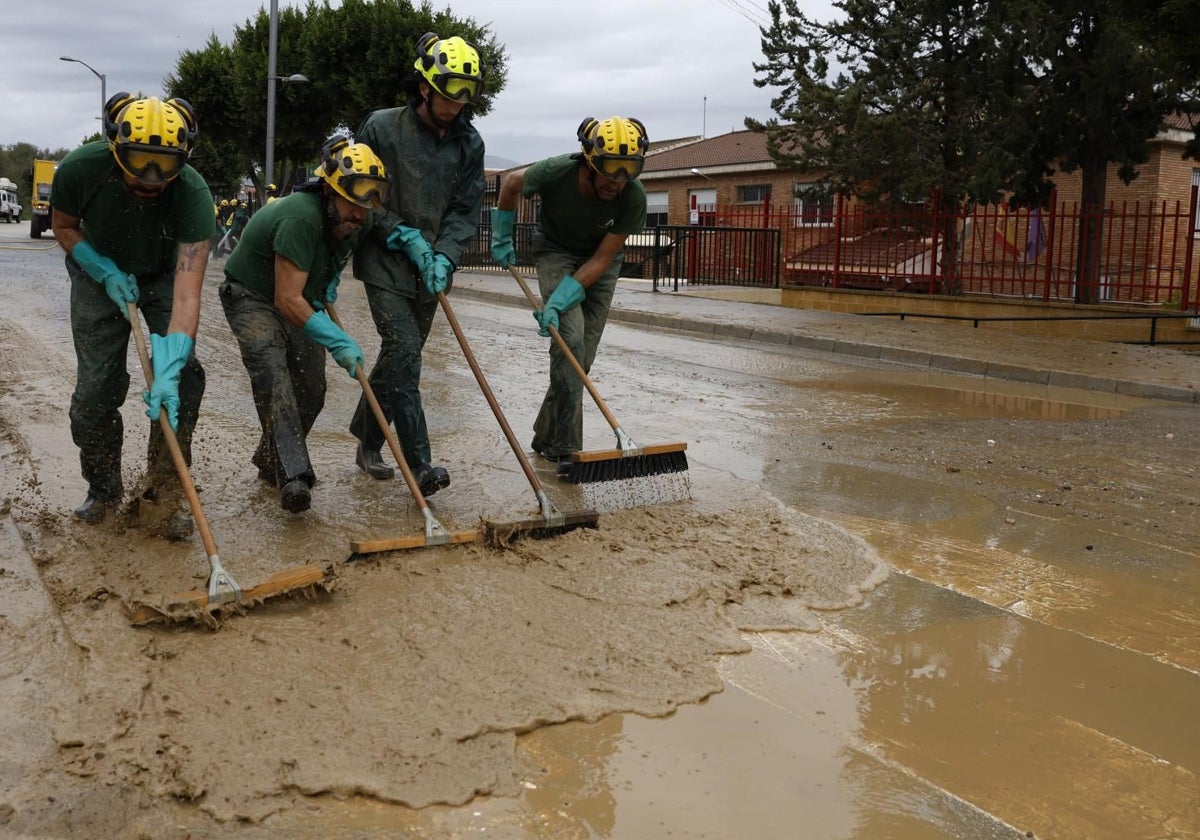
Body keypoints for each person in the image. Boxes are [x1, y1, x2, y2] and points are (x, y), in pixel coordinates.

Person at [50, 92, 215, 537]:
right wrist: (102, 270)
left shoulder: (195, 195)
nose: (151, 177)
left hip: (164, 275)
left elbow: (186, 296)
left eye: (165, 165)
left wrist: (172, 362)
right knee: (95, 393)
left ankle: (161, 494)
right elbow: (63, 226)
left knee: (184, 380)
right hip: (97, 270)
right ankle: (103, 489)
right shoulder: (80, 169)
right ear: (114, 150)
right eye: (138, 161)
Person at [348, 31, 486, 496]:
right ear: (425, 87)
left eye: (467, 94)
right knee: (405, 350)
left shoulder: (470, 143)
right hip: (383, 258)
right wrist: (399, 233)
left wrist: (445, 254)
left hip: (430, 268)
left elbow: (465, 210)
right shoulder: (381, 127)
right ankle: (421, 463)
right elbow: (359, 194)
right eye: (451, 92)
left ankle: (367, 438)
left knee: (400, 359)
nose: (459, 103)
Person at [220, 136, 387, 513]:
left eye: (366, 207)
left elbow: (323, 269)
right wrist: (337, 338)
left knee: (311, 387)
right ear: (329, 192)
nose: (359, 216)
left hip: (300, 297)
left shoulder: (359, 217)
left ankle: (271, 463)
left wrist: (327, 283)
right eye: (352, 205)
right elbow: (285, 299)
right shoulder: (300, 216)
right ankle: (294, 476)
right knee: (274, 373)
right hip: (252, 295)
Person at [491, 116, 648, 478]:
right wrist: (502, 235)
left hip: (600, 262)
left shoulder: (634, 196)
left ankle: (545, 435)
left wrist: (559, 301)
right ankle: (566, 449)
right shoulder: (557, 171)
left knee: (580, 360)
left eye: (628, 172)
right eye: (610, 171)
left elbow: (601, 260)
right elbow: (512, 183)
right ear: (590, 162)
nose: (618, 182)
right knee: (570, 342)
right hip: (555, 250)